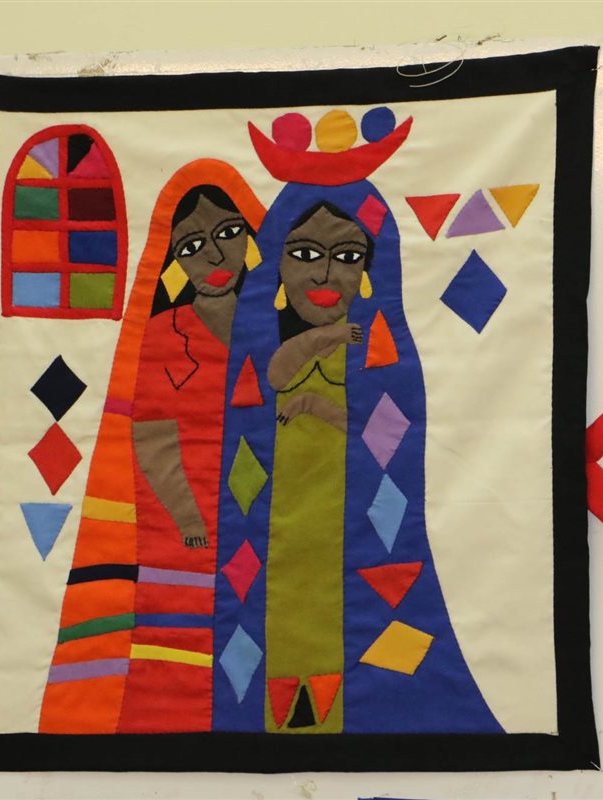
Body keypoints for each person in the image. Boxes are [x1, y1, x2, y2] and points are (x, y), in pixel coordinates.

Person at [214, 110, 501, 733]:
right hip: (277, 542)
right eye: (304, 253)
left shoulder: (383, 360)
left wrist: (321, 405)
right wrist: (318, 353)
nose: (324, 272)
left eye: (347, 255)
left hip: (349, 540)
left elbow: (382, 437)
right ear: (277, 266)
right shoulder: (265, 356)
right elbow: (275, 380)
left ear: (370, 270)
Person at [39, 161, 264, 734]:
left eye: (229, 232)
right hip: (187, 530)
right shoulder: (169, 333)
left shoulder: (278, 325)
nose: (215, 255)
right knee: (180, 656)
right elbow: (153, 437)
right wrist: (188, 518)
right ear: (173, 260)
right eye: (191, 246)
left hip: (270, 522)